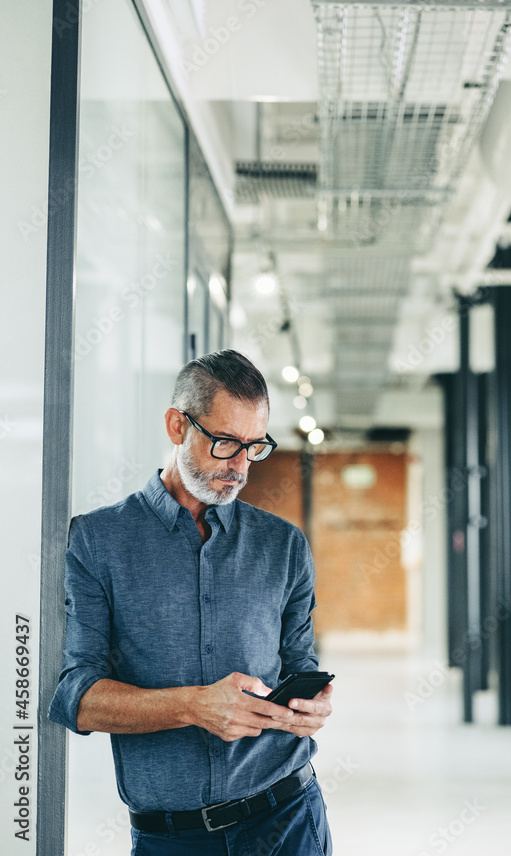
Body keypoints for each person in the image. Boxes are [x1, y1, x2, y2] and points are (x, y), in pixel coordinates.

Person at [48, 349, 334, 855]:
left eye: (255, 446)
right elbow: (78, 697)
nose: (241, 465)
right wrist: (195, 706)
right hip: (171, 838)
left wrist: (311, 707)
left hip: (287, 821)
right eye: (225, 442)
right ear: (177, 426)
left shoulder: (283, 546)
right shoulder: (98, 542)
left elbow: (300, 665)